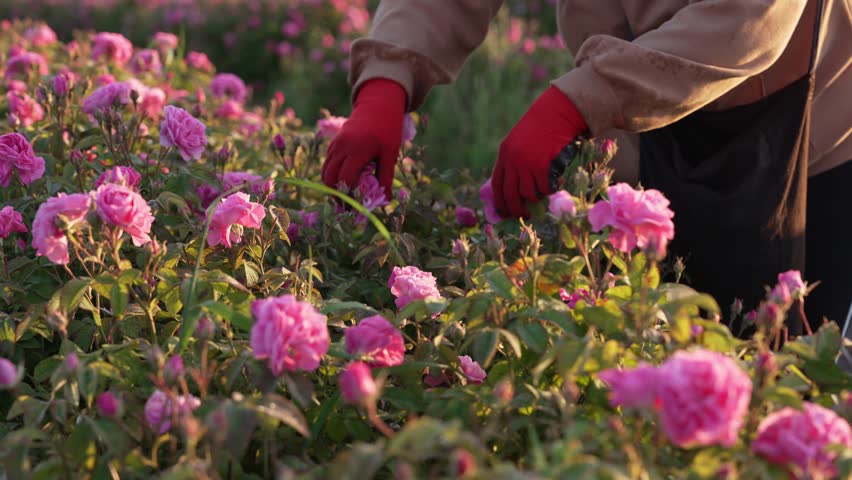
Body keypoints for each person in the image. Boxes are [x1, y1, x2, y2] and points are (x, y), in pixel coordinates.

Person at [321, 0, 851, 334]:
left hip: (798, 133)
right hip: (641, 119)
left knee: (785, 373)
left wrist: (578, 101)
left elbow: (749, 16)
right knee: (650, 363)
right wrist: (388, 79)